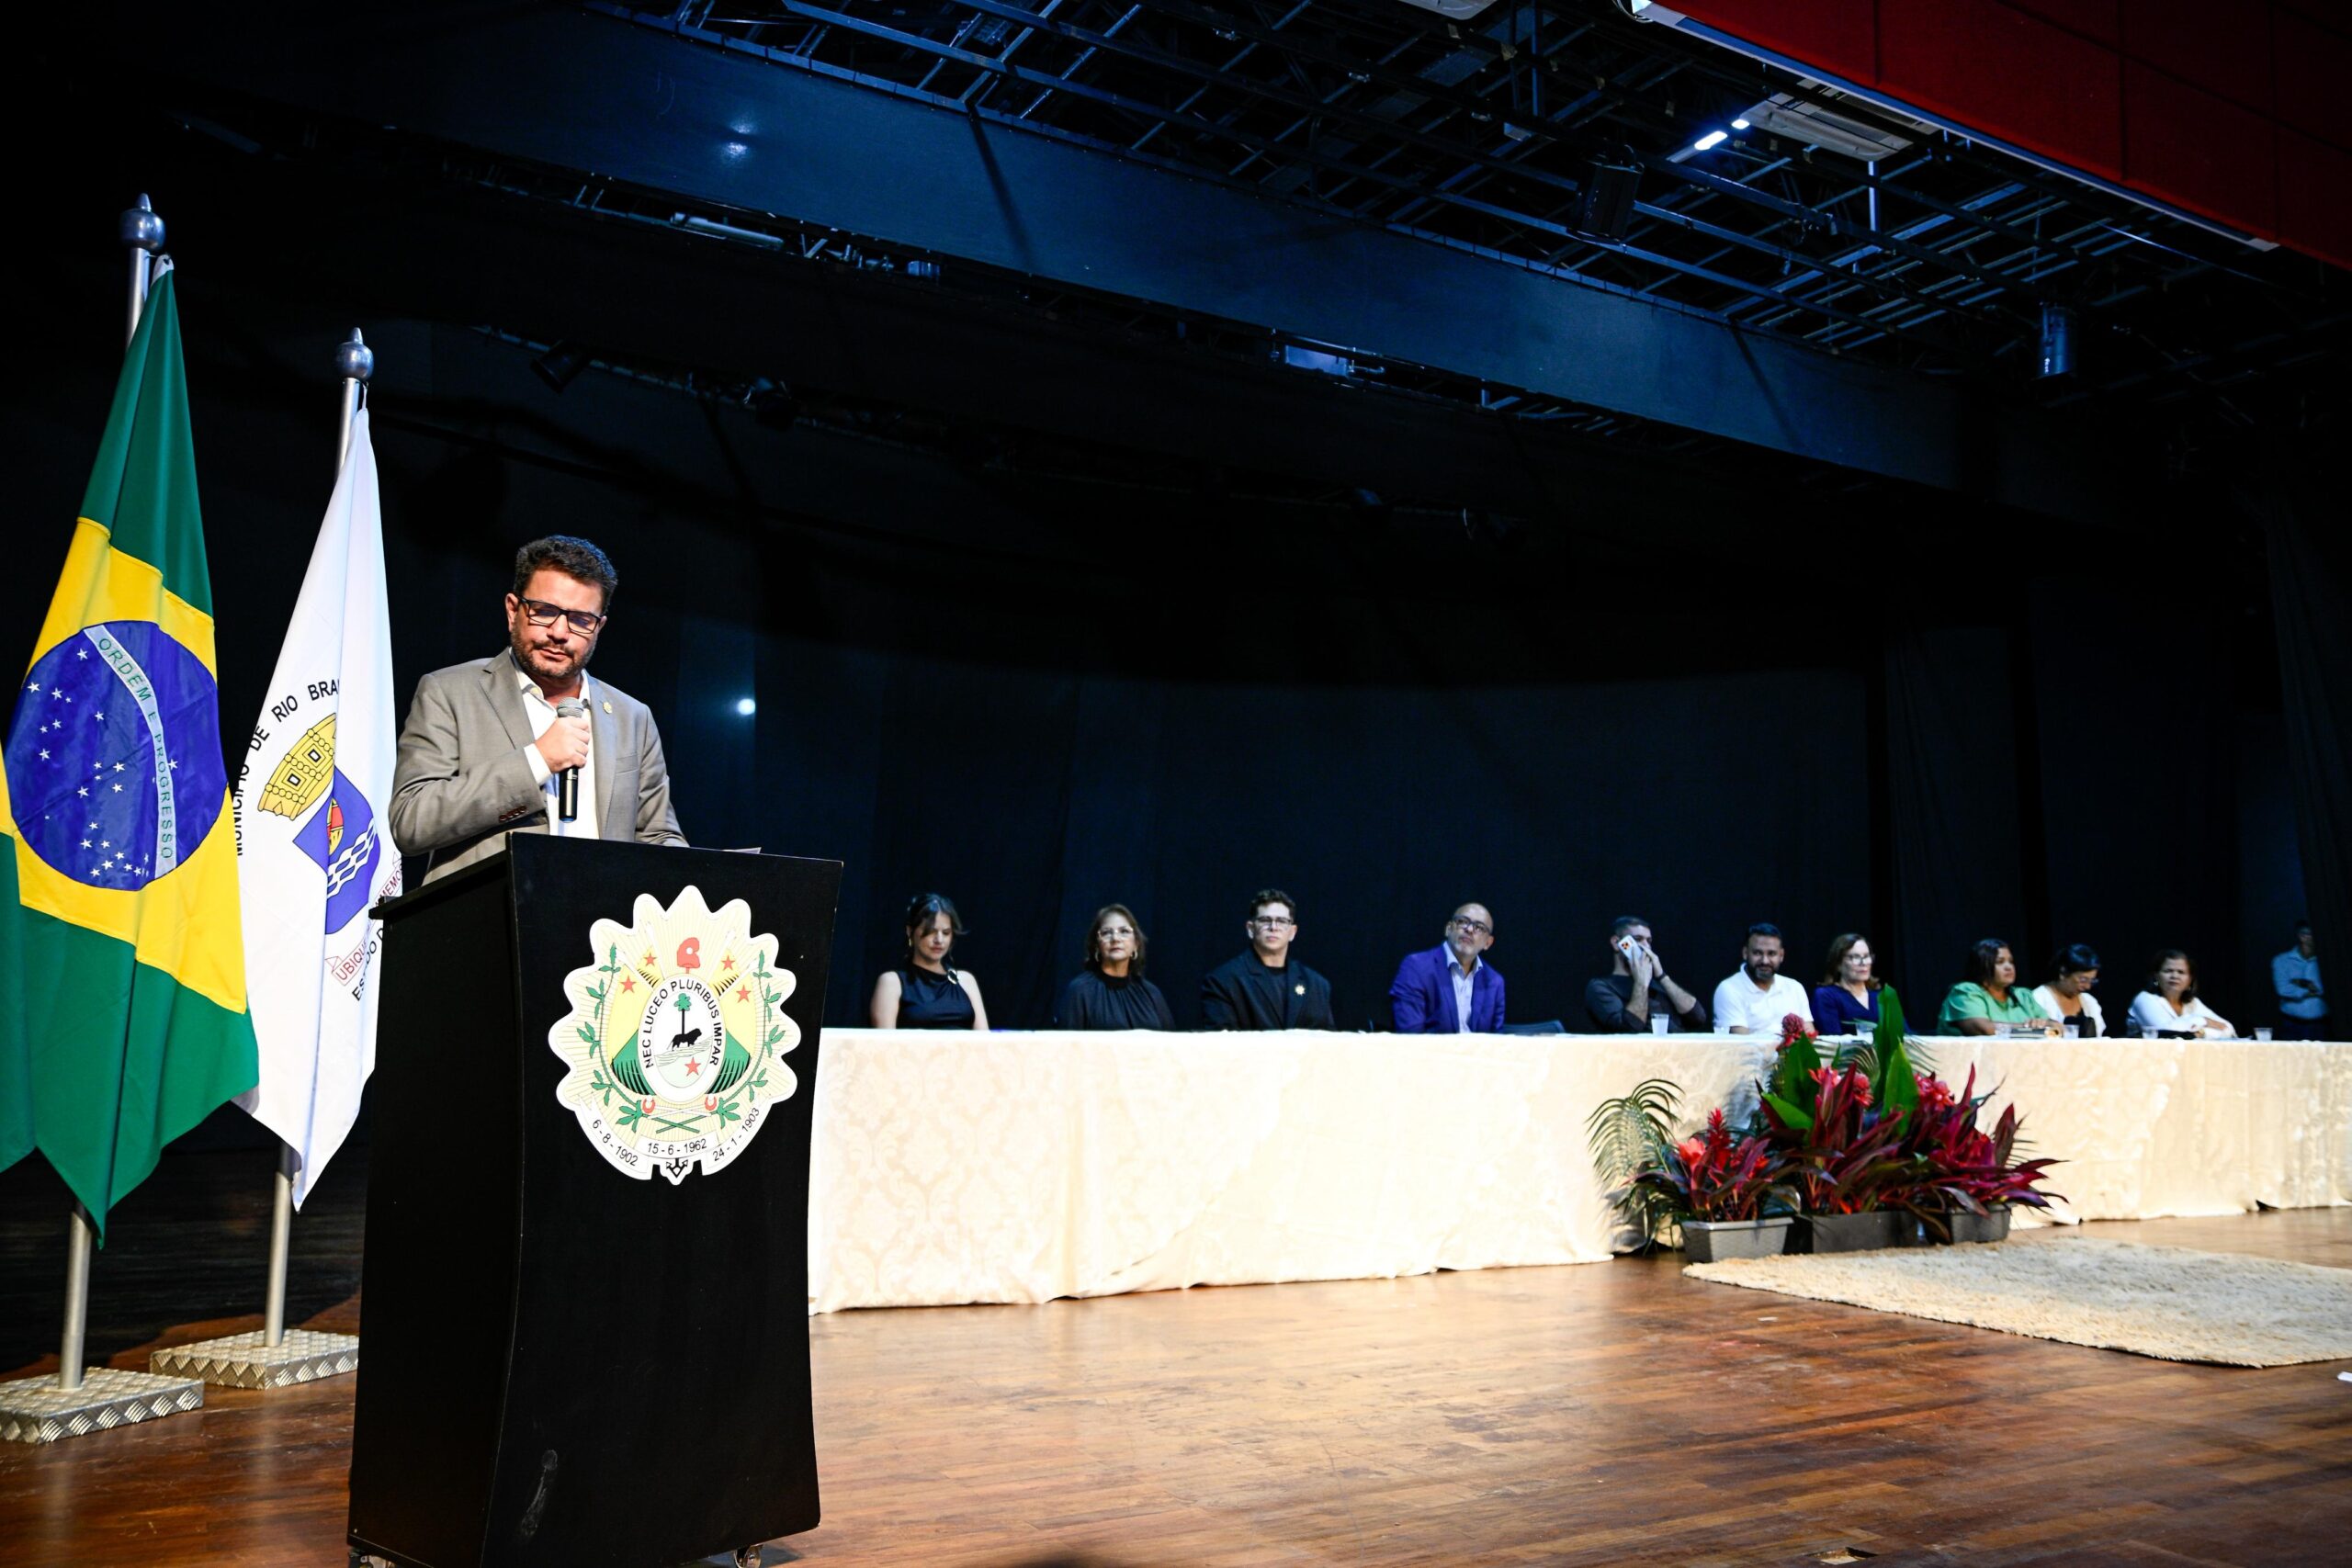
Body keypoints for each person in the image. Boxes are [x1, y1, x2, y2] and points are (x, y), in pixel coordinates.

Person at [390, 536, 685, 881]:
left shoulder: (632, 716)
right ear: (512, 610)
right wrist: (537, 761)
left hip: (599, 913)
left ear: (599, 627)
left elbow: (658, 837)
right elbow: (411, 822)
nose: (560, 632)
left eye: (580, 620)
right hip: (491, 912)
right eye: (545, 612)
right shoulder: (450, 691)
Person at [1200, 888, 1336, 1031]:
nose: (1273, 927)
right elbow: (1221, 1041)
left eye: (1282, 921)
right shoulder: (1223, 981)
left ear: (1292, 932)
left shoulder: (1316, 985)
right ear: (1250, 929)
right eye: (1265, 920)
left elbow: (1328, 1040)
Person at [869, 893, 989, 1030]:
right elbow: (884, 1040)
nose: (939, 940)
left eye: (946, 933)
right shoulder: (892, 982)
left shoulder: (966, 980)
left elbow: (984, 1039)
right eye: (931, 931)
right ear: (910, 931)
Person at [1057, 904, 1176, 1031]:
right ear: (1097, 946)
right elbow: (1066, 1042)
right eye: (1106, 933)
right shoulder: (1080, 991)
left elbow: (1170, 1041)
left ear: (1136, 944)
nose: (1115, 938)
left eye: (1124, 931)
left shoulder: (1151, 993)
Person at [1388, 904, 1506, 1032]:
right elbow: (1410, 1035)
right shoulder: (1416, 967)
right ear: (1448, 929)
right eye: (1462, 921)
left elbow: (1496, 1039)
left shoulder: (1494, 981)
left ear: (1488, 943)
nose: (1469, 929)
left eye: (1479, 927)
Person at [1585, 916, 1708, 1033]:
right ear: (1617, 943)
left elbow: (1698, 1017)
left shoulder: (1658, 984)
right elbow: (1630, 1028)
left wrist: (1662, 976)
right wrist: (1641, 983)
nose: (1646, 946)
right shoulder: (1601, 987)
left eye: (1649, 941)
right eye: (1638, 939)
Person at [1937, 939, 2057, 1036]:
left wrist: (2046, 1025)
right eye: (2000, 962)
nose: (2009, 967)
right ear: (1982, 966)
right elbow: (1984, 1030)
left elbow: (2056, 1028)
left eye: (2011, 961)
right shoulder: (1965, 992)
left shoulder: (2023, 995)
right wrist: (2030, 1028)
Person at [1710, 923, 1812, 1035]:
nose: (1765, 961)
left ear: (1781, 955)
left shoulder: (1795, 988)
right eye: (1757, 953)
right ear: (1745, 953)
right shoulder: (1729, 989)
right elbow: (1741, 1042)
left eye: (1771, 954)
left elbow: (1809, 1037)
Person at [2128, 950, 2236, 1038]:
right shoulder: (2144, 999)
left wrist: (2201, 1033)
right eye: (2168, 971)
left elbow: (2228, 1029)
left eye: (2181, 972)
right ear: (2156, 976)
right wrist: (2202, 1020)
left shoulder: (2193, 1003)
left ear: (2190, 980)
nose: (2175, 976)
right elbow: (2166, 1032)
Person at [1810, 932, 1882, 1037]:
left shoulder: (1882, 997)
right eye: (1855, 957)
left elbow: (1904, 1035)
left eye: (1866, 956)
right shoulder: (1826, 996)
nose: (1863, 963)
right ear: (1838, 964)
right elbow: (1834, 1039)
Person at [2031, 943, 2106, 1038]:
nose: (2088, 987)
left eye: (2092, 980)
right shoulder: (2038, 999)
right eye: (2083, 980)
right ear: (2063, 973)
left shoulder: (2089, 1002)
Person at [2272, 920, 2326, 1041]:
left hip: (2320, 1025)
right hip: (2291, 1024)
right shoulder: (2282, 960)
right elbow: (2283, 989)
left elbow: (2326, 988)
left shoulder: (2326, 960)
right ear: (2303, 937)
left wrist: (2300, 982)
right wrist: (2309, 990)